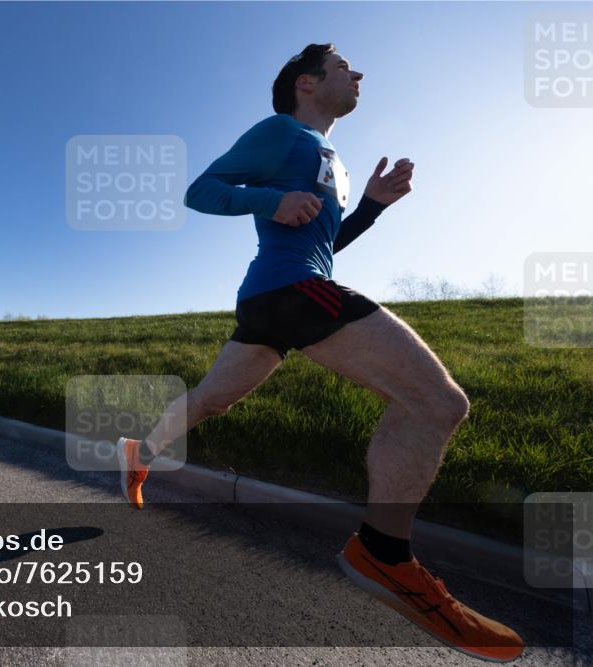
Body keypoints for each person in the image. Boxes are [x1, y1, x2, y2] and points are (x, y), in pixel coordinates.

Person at [116, 43, 523, 662]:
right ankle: (384, 556)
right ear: (307, 84)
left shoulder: (332, 158)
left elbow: (327, 244)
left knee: (210, 401)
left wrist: (371, 208)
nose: (358, 74)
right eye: (343, 68)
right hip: (292, 290)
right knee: (435, 403)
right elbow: (201, 190)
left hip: (274, 297)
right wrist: (267, 200)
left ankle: (138, 452)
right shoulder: (282, 131)